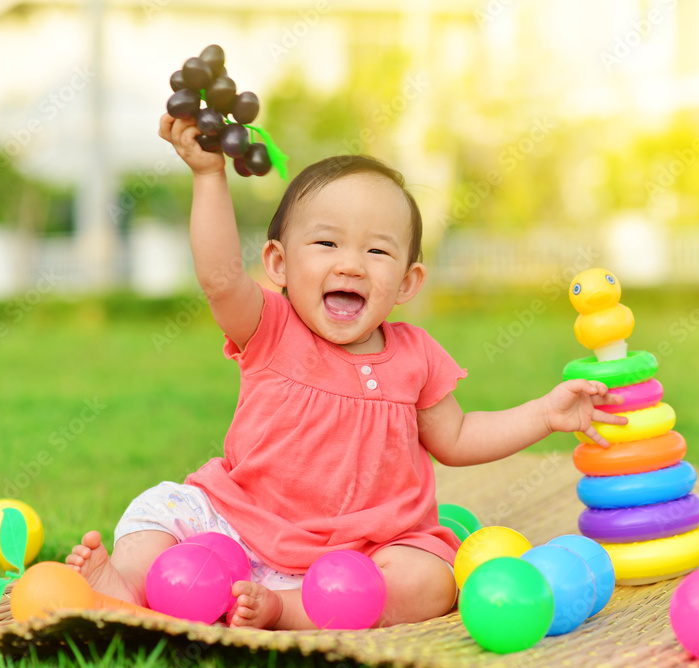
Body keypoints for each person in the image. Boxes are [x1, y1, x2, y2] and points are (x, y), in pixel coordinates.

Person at [66, 112, 627, 630]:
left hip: (362, 552)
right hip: (240, 524)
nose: (351, 264)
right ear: (279, 263)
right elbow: (219, 278)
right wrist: (209, 175)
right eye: (327, 242)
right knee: (160, 513)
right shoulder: (271, 327)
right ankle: (126, 587)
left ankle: (286, 611)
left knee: (430, 581)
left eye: (377, 252)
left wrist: (544, 414)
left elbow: (456, 437)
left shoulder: (416, 355)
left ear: (407, 282)